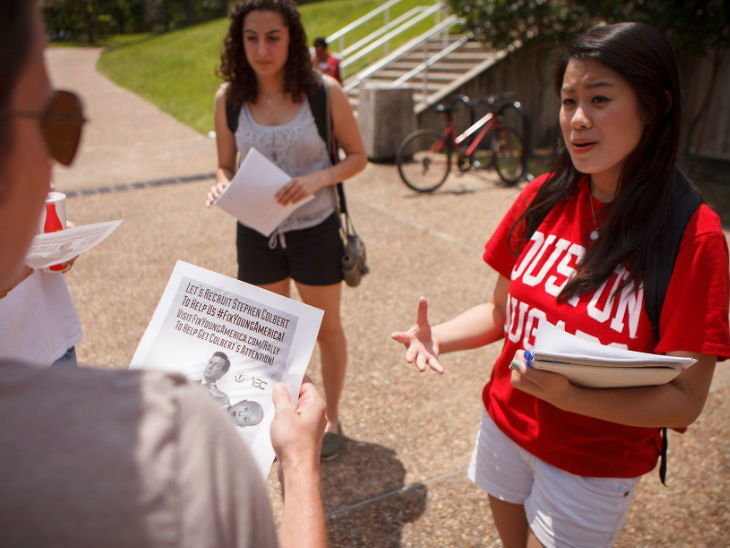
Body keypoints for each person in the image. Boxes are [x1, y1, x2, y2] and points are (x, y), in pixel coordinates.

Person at [0, 2, 328, 547]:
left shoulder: (320, 93)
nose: (61, 163)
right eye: (57, 118)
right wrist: (299, 466)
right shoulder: (171, 443)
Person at [392, 22, 730, 548]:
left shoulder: (693, 234)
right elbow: (502, 313)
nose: (576, 119)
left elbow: (684, 400)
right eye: (568, 100)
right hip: (505, 423)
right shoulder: (544, 195)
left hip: (592, 464)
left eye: (599, 99)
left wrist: (569, 398)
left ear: (655, 105)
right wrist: (438, 337)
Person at [207, 0, 367, 460]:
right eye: (251, 38)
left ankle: (330, 417)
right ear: (239, 43)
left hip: (315, 228)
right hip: (256, 231)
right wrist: (222, 186)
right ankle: (281, 418)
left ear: (291, 38)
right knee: (269, 333)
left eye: (272, 37)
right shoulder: (230, 98)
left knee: (325, 328)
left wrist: (316, 179)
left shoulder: (323, 90)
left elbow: (358, 157)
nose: (262, 49)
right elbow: (222, 165)